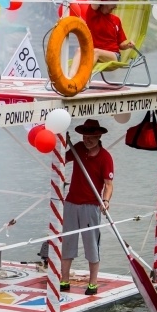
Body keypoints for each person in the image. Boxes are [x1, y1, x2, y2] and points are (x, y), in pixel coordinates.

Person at [41, 119, 113, 295]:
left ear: (99, 136)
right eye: (85, 136)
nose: (87, 140)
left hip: (91, 205)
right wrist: (63, 141)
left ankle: (93, 283)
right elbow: (62, 159)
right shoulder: (78, 148)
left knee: (91, 246)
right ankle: (64, 280)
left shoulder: (105, 157)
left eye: (91, 137)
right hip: (72, 202)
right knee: (67, 243)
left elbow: (109, 184)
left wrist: (106, 201)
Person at [82, 0, 134, 66]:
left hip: (113, 55)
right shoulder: (93, 15)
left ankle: (82, 79)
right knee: (79, 50)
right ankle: (70, 77)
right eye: (113, 2)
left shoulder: (116, 20)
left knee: (95, 52)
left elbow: (121, 45)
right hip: (94, 53)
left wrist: (128, 45)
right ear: (105, 1)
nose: (115, 6)